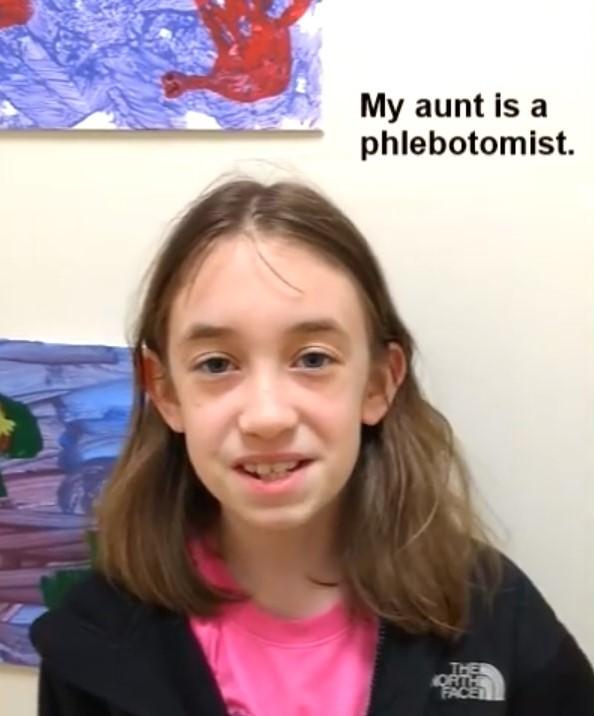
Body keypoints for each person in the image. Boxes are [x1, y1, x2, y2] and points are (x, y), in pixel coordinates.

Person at [30, 178, 594, 715]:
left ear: (378, 384)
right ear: (166, 391)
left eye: (314, 359)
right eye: (217, 365)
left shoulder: (496, 614)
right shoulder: (91, 643)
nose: (267, 416)